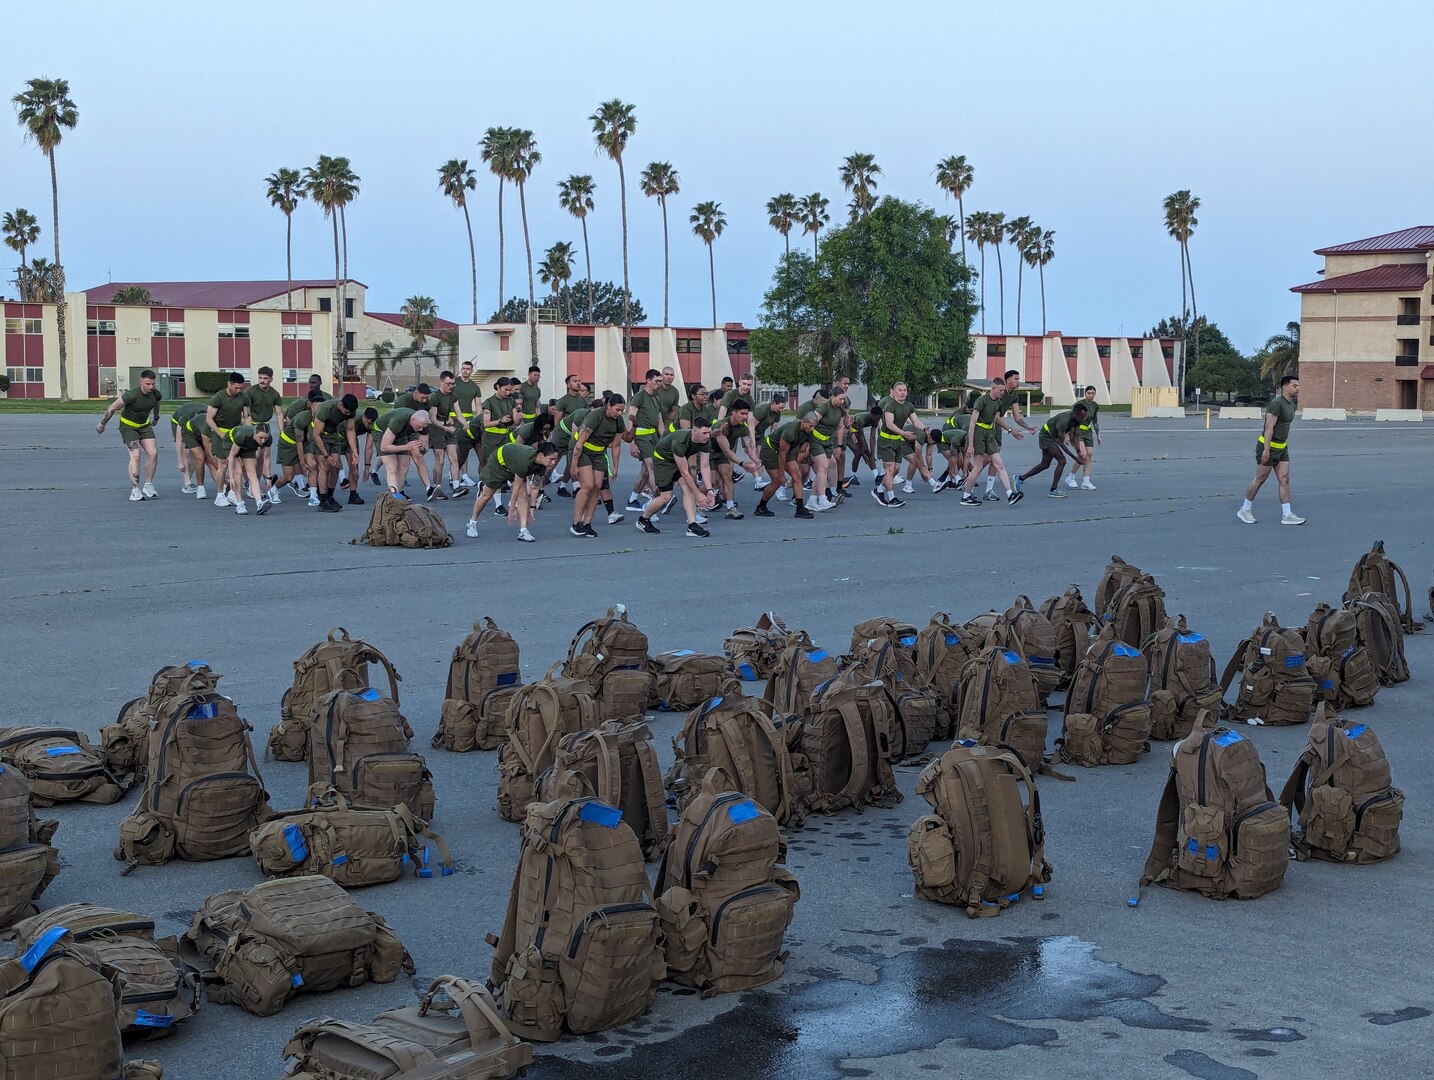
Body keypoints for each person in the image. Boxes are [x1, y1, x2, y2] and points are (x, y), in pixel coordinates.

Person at [1238, 375, 1304, 526]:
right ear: (1285, 387)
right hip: (1269, 446)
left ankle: (1287, 514)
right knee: (1260, 479)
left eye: (1298, 386)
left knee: (1284, 479)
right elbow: (1269, 427)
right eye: (1295, 386)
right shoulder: (1276, 404)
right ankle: (1245, 509)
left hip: (1282, 447)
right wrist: (1266, 450)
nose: (1298, 389)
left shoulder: (1291, 405)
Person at [465, 440, 559, 542]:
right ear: (541, 455)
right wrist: (512, 508)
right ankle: (472, 523)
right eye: (551, 459)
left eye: (555, 459)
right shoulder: (524, 461)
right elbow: (516, 488)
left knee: (523, 494)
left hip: (515, 465)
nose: (554, 462)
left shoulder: (543, 465)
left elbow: (535, 487)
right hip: (499, 463)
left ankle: (523, 530)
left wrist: (532, 508)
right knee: (487, 495)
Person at [635, 419, 716, 537]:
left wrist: (710, 490)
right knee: (665, 497)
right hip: (663, 461)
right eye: (704, 433)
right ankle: (643, 520)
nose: (708, 436)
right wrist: (698, 494)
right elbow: (684, 472)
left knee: (689, 489)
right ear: (694, 431)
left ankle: (692, 525)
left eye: (709, 432)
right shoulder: (680, 441)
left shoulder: (706, 442)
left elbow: (705, 466)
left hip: (679, 459)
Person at [96, 369, 163, 501]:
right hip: (128, 426)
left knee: (153, 453)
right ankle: (135, 489)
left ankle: (148, 485)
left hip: (144, 425)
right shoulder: (131, 395)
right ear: (141, 382)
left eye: (153, 384)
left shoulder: (156, 394)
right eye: (148, 384)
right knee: (136, 455)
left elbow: (156, 404)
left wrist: (156, 417)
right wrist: (102, 423)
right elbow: (112, 408)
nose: (151, 387)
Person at [569, 394, 628, 537]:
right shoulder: (595, 416)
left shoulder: (618, 421)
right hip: (583, 451)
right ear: (608, 406)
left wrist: (615, 466)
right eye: (617, 410)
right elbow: (579, 443)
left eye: (622, 410)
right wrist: (574, 465)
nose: (619, 413)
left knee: (597, 487)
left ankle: (587, 523)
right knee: (587, 486)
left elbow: (616, 445)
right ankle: (576, 523)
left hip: (599, 453)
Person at [873, 383, 939, 508]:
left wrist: (925, 429)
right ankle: (891, 498)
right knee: (890, 469)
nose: (902, 392)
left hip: (897, 440)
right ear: (893, 392)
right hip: (886, 440)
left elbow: (916, 421)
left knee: (896, 469)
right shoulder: (890, 405)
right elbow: (890, 424)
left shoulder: (909, 406)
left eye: (904, 390)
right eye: (900, 390)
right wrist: (904, 433)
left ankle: (879, 491)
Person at [961, 378, 1024, 507]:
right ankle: (966, 496)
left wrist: (1010, 430)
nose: (1002, 392)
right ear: (993, 388)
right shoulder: (982, 400)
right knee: (978, 466)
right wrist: (971, 445)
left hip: (990, 434)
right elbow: (972, 422)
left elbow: (996, 418)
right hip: (978, 433)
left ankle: (1010, 494)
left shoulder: (999, 403)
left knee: (999, 464)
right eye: (1000, 390)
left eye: (1003, 390)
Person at [1014, 403, 1088, 498]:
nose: (1084, 418)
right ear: (1076, 414)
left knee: (1045, 464)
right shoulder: (1064, 421)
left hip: (1053, 437)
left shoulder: (1078, 420)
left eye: (1085, 416)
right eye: (1083, 416)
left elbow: (1075, 436)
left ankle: (1020, 478)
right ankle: (1053, 490)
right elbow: (1060, 442)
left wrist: (1079, 452)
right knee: (1062, 460)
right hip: (1047, 436)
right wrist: (1074, 457)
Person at [755, 413, 817, 519]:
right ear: (803, 422)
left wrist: (796, 466)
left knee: (797, 475)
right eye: (810, 426)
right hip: (771, 450)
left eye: (814, 426)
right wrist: (782, 473)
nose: (812, 428)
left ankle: (800, 509)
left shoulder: (809, 432)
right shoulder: (790, 431)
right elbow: (782, 453)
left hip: (787, 452)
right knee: (777, 481)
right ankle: (761, 506)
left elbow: (802, 452)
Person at [203, 372, 250, 508]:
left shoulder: (243, 397)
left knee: (236, 465)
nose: (239, 390)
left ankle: (233, 494)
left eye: (241, 388)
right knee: (223, 464)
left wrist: (249, 432)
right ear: (229, 384)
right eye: (236, 388)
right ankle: (219, 495)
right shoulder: (218, 397)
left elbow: (246, 416)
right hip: (219, 432)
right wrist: (219, 433)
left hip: (235, 432)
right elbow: (209, 418)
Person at [243, 366, 285, 504]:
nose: (262, 380)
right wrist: (249, 430)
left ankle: (256, 484)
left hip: (265, 426)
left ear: (271, 379)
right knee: (251, 457)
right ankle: (249, 483)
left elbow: (279, 413)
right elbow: (245, 413)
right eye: (260, 377)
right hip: (252, 426)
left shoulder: (274, 394)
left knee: (263, 457)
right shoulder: (250, 392)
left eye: (265, 378)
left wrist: (282, 431)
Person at [313, 394, 362, 512]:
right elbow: (316, 435)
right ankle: (323, 500)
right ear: (340, 404)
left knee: (335, 466)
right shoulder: (326, 408)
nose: (348, 414)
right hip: (320, 436)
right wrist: (326, 455)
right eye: (346, 411)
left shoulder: (350, 412)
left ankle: (330, 496)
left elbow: (350, 430)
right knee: (324, 466)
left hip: (333, 435)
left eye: (351, 412)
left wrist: (354, 451)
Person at [712, 399, 759, 519]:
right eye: (742, 413)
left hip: (721, 454)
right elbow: (727, 450)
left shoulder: (743, 427)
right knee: (712, 481)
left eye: (746, 414)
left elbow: (748, 447)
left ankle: (730, 508)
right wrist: (742, 464)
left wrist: (756, 461)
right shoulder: (722, 425)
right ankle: (697, 506)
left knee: (727, 475)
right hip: (708, 452)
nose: (744, 417)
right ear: (733, 412)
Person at [626, 369, 666, 510]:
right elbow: (631, 419)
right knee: (652, 467)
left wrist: (664, 439)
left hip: (654, 437)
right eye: (657, 381)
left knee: (645, 471)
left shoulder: (656, 398)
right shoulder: (639, 397)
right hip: (642, 437)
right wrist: (632, 442)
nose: (659, 384)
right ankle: (659, 499)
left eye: (660, 381)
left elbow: (660, 420)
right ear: (648, 380)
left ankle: (632, 501)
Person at [479, 377, 520, 512]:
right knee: (497, 470)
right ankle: (498, 505)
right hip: (491, 439)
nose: (508, 392)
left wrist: (518, 419)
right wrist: (500, 421)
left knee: (510, 469)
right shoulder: (489, 402)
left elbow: (515, 421)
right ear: (497, 387)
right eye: (505, 390)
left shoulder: (511, 401)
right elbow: (486, 423)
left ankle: (513, 501)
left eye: (510, 390)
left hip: (506, 438)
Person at [807, 388, 848, 512]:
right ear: (833, 396)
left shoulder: (840, 410)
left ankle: (812, 501)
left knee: (822, 470)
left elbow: (840, 428)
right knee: (823, 468)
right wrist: (807, 442)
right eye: (840, 399)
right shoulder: (823, 407)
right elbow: (811, 423)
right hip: (816, 440)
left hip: (828, 442)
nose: (842, 401)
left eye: (843, 399)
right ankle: (823, 499)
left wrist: (839, 446)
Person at [377, 407, 434, 497]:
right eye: (419, 426)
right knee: (392, 467)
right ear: (412, 419)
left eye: (423, 427)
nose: (420, 430)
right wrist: (406, 447)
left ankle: (398, 495)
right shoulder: (398, 421)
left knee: (404, 466)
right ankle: (393, 496)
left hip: (400, 434)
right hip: (382, 432)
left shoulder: (423, 425)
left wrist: (422, 447)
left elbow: (425, 446)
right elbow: (384, 447)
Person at [551, 374, 591, 496]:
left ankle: (565, 487)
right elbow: (557, 421)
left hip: (575, 436)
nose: (578, 383)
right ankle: (538, 489)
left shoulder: (582, 400)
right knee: (552, 462)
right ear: (568, 384)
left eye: (579, 381)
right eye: (575, 381)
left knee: (572, 461)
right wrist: (554, 435)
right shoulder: (563, 401)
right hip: (562, 436)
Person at [224, 424, 274, 515]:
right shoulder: (242, 435)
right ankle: (240, 504)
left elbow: (266, 457)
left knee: (252, 473)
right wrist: (231, 477)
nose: (263, 441)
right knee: (238, 472)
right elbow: (232, 456)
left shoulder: (268, 439)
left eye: (265, 438)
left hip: (248, 446)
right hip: (231, 443)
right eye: (260, 437)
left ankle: (259, 502)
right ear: (255, 433)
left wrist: (268, 476)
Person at [426, 371, 461, 497]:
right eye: (449, 383)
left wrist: (466, 424)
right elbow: (433, 419)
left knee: (454, 457)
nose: (451, 386)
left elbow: (459, 414)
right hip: (436, 428)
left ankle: (456, 487)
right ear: (442, 382)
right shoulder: (434, 397)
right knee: (440, 460)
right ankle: (437, 488)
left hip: (449, 427)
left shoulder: (453, 395)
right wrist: (446, 428)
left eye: (453, 384)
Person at [452, 360, 483, 487]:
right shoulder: (454, 383)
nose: (465, 370)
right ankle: (455, 477)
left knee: (467, 449)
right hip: (454, 419)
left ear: (471, 370)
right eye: (463, 368)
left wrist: (478, 419)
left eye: (468, 369)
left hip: (469, 421)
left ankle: (464, 476)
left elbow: (478, 406)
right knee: (459, 449)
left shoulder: (475, 387)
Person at [1066, 384, 1103, 490]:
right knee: (1083, 454)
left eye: (1093, 393)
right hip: (1077, 431)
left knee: (1089, 455)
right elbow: (1070, 419)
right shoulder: (1079, 404)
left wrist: (1098, 434)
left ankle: (1086, 481)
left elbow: (1095, 420)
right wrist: (1067, 434)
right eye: (1089, 393)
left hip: (1087, 431)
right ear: (1085, 394)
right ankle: (1071, 477)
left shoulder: (1095, 406)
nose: (1091, 395)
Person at [656, 365, 682, 433]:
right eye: (666, 374)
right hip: (652, 422)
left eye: (671, 375)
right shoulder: (655, 388)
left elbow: (673, 409)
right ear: (661, 376)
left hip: (665, 424)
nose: (669, 377)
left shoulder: (675, 391)